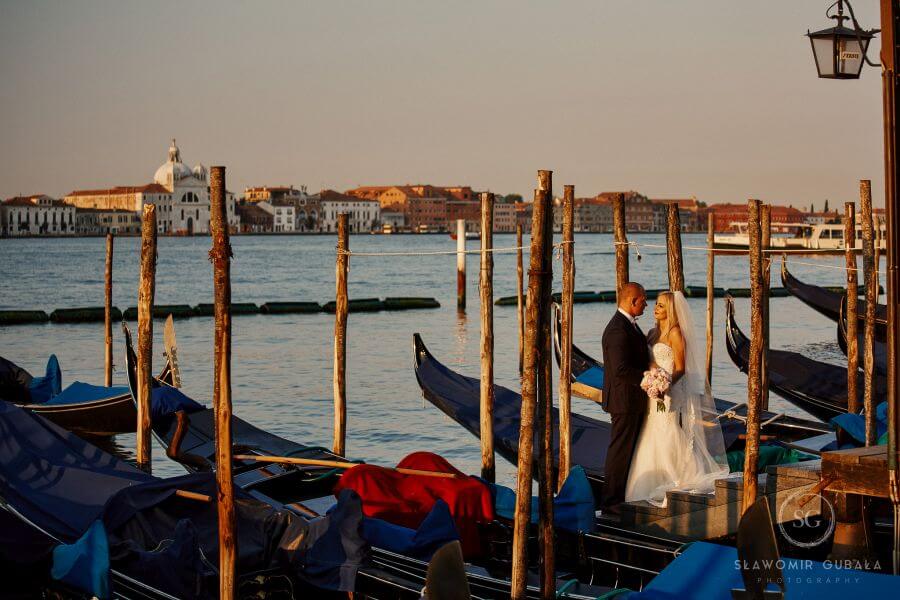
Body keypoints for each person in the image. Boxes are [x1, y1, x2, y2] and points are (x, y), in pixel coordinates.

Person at [624, 291, 729, 507]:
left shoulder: (675, 333)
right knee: (650, 431)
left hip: (670, 391)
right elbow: (649, 361)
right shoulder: (652, 333)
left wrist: (666, 385)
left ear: (670, 310)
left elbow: (681, 367)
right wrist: (653, 380)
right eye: (656, 304)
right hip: (653, 392)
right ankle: (648, 484)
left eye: (661, 305)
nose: (655, 308)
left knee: (669, 429)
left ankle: (675, 477)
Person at [599, 282, 649, 514]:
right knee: (620, 451)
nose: (646, 305)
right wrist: (648, 378)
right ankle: (611, 502)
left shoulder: (629, 325)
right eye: (643, 300)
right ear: (633, 300)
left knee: (628, 450)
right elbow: (620, 369)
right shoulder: (618, 329)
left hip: (632, 400)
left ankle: (622, 496)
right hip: (624, 400)